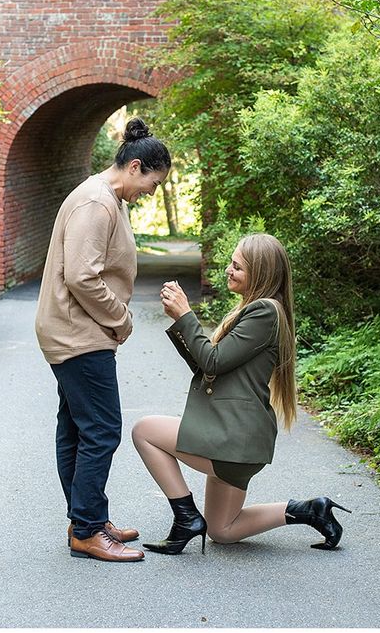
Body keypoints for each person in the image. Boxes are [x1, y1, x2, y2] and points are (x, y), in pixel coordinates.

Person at [132, 233, 351, 554]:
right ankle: (310, 510)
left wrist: (186, 316)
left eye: (238, 267)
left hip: (233, 438)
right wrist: (181, 323)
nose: (228, 270)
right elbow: (209, 366)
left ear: (260, 274)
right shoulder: (257, 311)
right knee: (223, 530)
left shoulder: (264, 311)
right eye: (230, 263)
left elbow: (213, 360)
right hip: (241, 441)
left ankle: (185, 517)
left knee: (144, 431)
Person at [35, 118, 171, 562]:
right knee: (101, 430)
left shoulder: (104, 198)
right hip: (80, 334)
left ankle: (87, 517)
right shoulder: (97, 203)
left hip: (74, 330)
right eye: (152, 183)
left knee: (77, 427)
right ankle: (88, 530)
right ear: (135, 167)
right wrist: (121, 318)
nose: (150, 192)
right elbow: (81, 275)